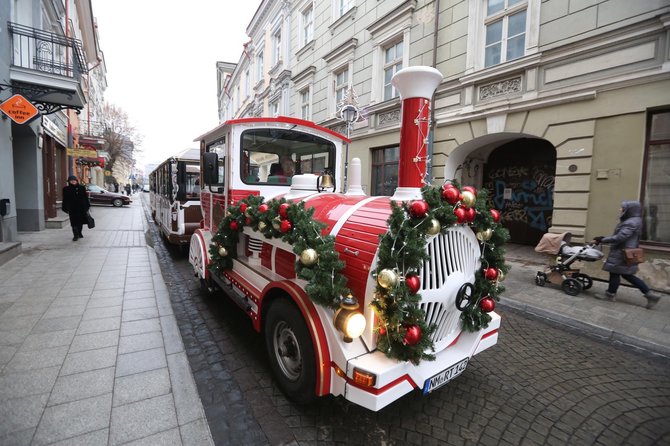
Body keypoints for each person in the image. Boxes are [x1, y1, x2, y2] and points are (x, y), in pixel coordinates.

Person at [592, 200, 661, 309]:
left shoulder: (630, 222)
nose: (620, 209)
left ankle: (611, 295)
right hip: (626, 251)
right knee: (626, 274)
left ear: (630, 210)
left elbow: (620, 237)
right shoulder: (635, 220)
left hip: (622, 252)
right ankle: (649, 294)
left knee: (616, 272)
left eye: (622, 208)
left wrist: (603, 239)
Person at [62, 175, 90, 241]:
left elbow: (85, 197)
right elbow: (65, 199)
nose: (73, 181)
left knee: (80, 222)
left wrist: (87, 206)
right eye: (71, 181)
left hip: (81, 208)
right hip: (72, 208)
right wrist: (65, 208)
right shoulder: (66, 189)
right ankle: (75, 235)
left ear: (76, 181)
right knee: (73, 222)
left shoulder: (81, 188)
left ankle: (80, 233)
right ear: (69, 182)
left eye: (74, 180)